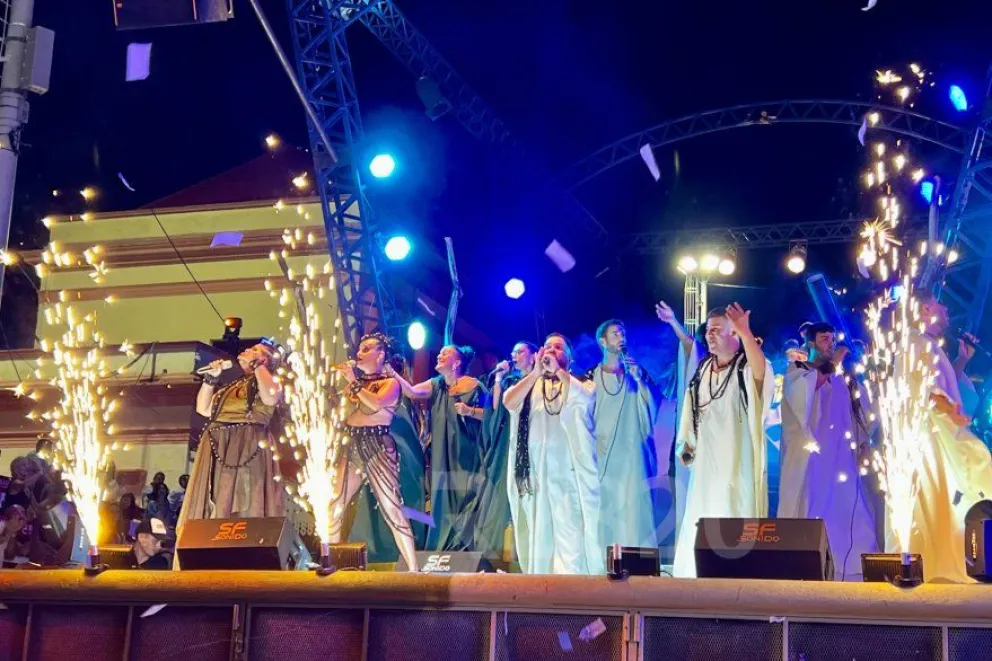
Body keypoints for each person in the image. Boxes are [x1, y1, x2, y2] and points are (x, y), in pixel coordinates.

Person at [892, 292, 992, 582]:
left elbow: (945, 384)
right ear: (925, 309)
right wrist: (951, 412)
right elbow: (926, 389)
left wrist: (961, 360)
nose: (946, 309)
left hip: (941, 433)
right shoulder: (915, 342)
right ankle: (940, 564)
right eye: (940, 303)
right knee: (942, 494)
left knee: (954, 496)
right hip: (930, 438)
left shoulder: (927, 343)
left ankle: (953, 558)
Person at [673, 304, 774, 578]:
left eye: (717, 330)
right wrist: (686, 444)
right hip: (706, 464)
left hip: (737, 463)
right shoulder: (703, 369)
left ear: (734, 334)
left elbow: (761, 373)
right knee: (702, 515)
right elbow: (690, 411)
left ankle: (736, 580)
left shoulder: (745, 367)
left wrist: (746, 332)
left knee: (734, 513)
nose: (709, 335)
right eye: (708, 330)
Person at [779, 322, 878, 580]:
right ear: (810, 343)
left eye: (832, 339)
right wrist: (833, 363)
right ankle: (809, 565)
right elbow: (806, 392)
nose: (830, 344)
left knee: (849, 509)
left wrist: (864, 445)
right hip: (811, 461)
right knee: (813, 508)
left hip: (841, 460)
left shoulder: (841, 377)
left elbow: (858, 415)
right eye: (824, 339)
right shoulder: (798, 371)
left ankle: (852, 566)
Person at [504, 333, 604, 575]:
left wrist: (558, 371)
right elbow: (509, 401)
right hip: (536, 474)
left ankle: (571, 591)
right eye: (547, 346)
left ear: (568, 357)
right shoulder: (532, 384)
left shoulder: (581, 382)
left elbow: (585, 400)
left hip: (568, 474)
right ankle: (540, 590)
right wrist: (535, 373)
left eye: (558, 347)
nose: (550, 350)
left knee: (570, 534)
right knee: (540, 536)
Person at [332, 332, 419, 572]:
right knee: (335, 503)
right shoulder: (356, 385)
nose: (359, 353)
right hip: (352, 444)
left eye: (366, 349)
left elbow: (376, 403)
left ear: (380, 355)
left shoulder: (390, 383)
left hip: (377, 444)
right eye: (360, 349)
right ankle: (330, 561)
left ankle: (414, 569)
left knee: (392, 509)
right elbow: (348, 411)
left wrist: (353, 380)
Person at [389, 344, 488, 552]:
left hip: (467, 453)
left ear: (457, 363)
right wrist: (391, 373)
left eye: (446, 353)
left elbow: (491, 416)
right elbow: (412, 392)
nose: (440, 355)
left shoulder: (475, 385)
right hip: (442, 454)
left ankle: (465, 546)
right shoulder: (436, 385)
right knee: (442, 498)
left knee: (466, 496)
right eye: (440, 352)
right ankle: (443, 548)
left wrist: (469, 411)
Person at [180, 343, 285, 530]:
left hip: (246, 442)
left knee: (244, 496)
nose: (246, 350)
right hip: (220, 443)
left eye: (254, 350)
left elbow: (270, 397)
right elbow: (203, 409)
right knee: (218, 494)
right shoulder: (233, 385)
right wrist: (210, 380)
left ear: (264, 359)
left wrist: (257, 366)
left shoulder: (268, 380)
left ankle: (242, 536)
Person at [588, 319, 661, 549]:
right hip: (603, 453)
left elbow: (653, 406)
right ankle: (605, 559)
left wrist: (640, 379)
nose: (622, 338)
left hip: (632, 453)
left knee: (635, 507)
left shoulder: (636, 372)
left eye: (623, 334)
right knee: (607, 507)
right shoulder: (590, 376)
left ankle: (638, 559)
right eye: (616, 334)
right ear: (603, 341)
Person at [477, 342, 537, 561]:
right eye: (513, 352)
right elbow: (495, 408)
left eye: (520, 352)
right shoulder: (511, 381)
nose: (515, 355)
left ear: (534, 356)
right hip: (512, 441)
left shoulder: (541, 380)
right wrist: (498, 379)